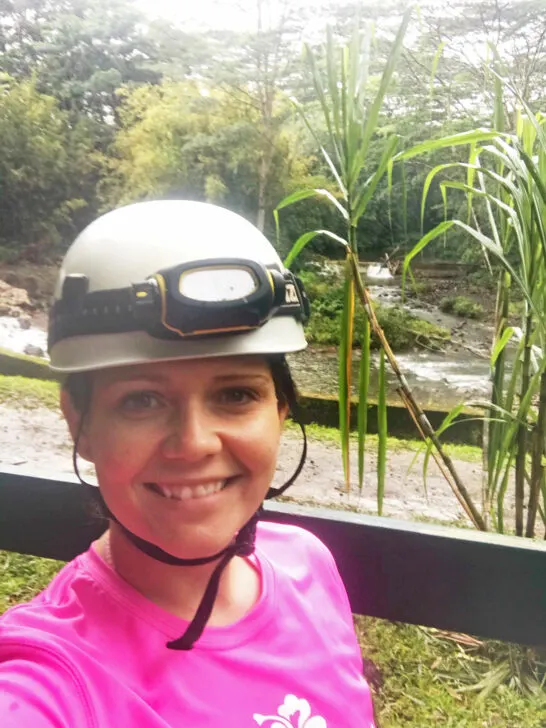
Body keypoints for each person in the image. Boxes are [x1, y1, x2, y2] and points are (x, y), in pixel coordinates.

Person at [0, 200, 376, 727]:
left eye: (237, 394)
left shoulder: (307, 565)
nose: (194, 444)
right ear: (79, 422)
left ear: (281, 409)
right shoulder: (51, 681)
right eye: (141, 400)